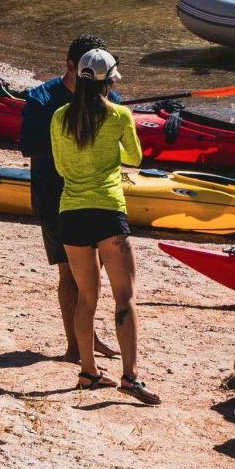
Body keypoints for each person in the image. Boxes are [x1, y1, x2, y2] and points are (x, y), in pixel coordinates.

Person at [49, 48, 160, 404]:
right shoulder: (119, 115)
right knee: (124, 297)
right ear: (109, 81)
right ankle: (130, 377)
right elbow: (135, 158)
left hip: (71, 213)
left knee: (87, 297)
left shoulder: (59, 118)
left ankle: (89, 372)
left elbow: (61, 167)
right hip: (108, 212)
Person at [20, 35, 124, 368]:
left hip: (97, 198)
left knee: (94, 277)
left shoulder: (105, 92)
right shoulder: (42, 99)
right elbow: (28, 145)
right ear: (70, 67)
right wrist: (73, 140)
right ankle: (74, 347)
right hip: (56, 199)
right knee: (70, 275)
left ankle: (89, 340)